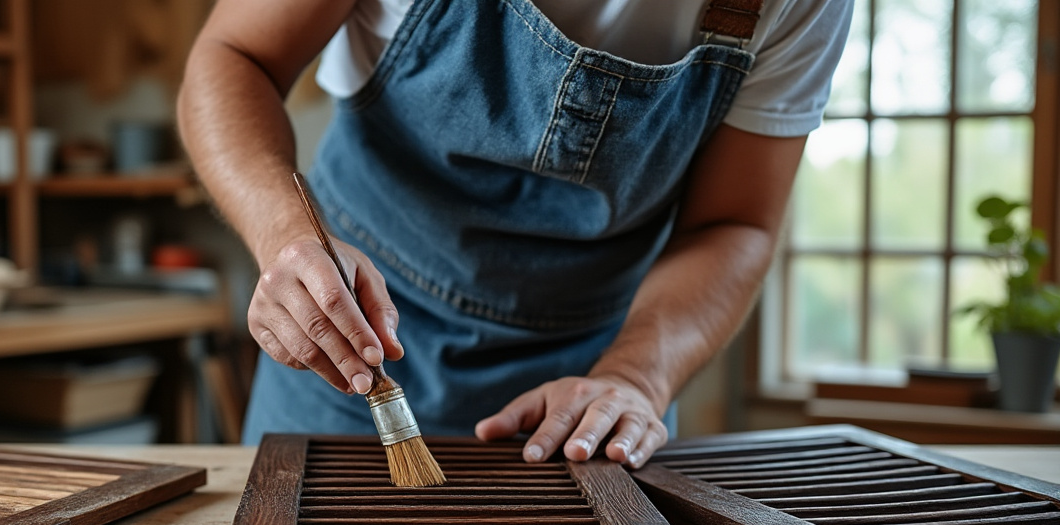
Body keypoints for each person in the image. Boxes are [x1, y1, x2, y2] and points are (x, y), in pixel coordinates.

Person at [178, 0, 853, 466]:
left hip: (594, 384)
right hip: (346, 345)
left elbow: (732, 223)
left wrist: (635, 380)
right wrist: (285, 238)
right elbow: (236, 56)